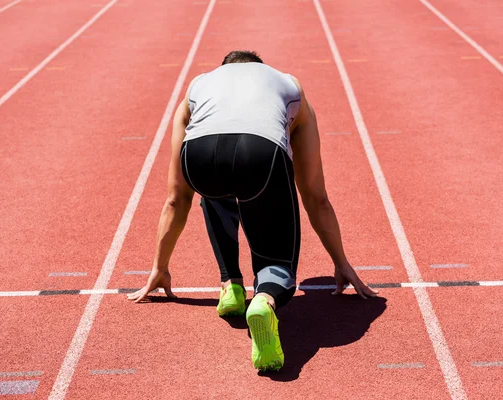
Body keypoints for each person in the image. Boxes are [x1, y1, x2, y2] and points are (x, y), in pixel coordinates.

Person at [127, 50, 379, 371]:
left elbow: (176, 199)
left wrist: (159, 267)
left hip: (199, 158)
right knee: (277, 259)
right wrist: (340, 262)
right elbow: (316, 196)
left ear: (225, 71)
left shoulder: (198, 86)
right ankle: (265, 299)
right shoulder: (290, 85)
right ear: (259, 69)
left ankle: (230, 285)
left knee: (214, 189)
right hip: (258, 153)